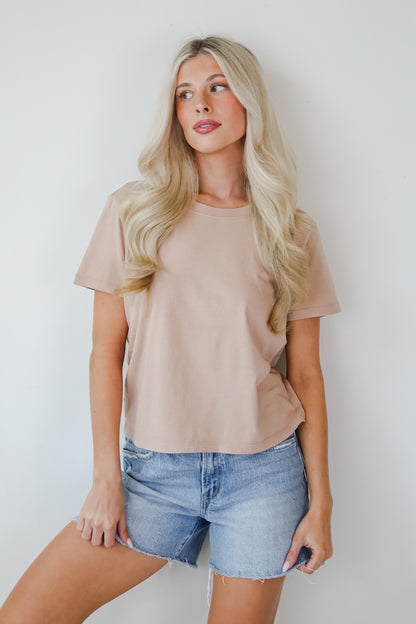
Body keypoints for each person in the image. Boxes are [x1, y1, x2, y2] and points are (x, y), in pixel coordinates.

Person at [0, 34, 341, 623]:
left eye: (217, 87)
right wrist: (106, 479)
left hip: (263, 476)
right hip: (154, 475)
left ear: (250, 101)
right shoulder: (135, 211)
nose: (200, 104)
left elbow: (306, 375)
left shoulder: (291, 230)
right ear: (175, 114)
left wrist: (323, 503)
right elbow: (105, 352)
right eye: (185, 94)